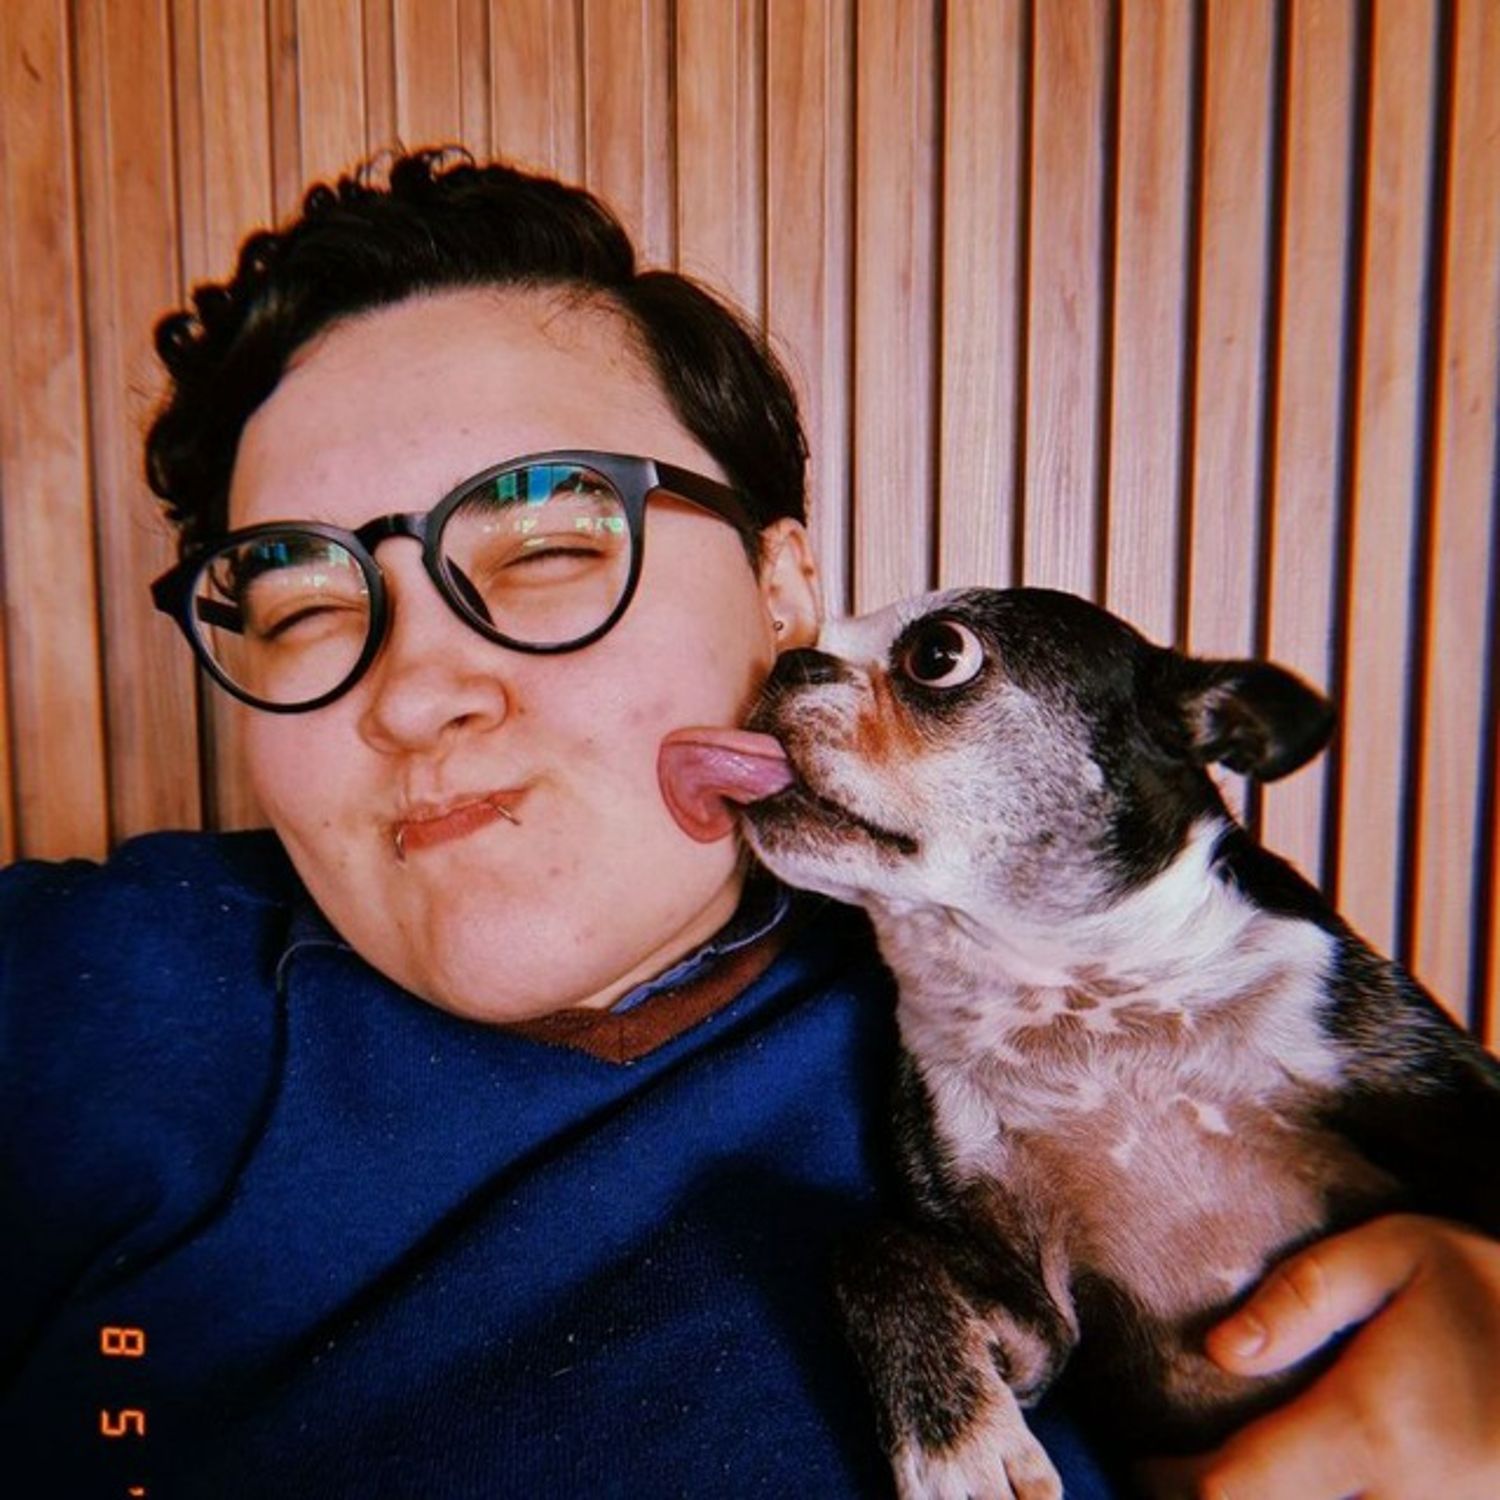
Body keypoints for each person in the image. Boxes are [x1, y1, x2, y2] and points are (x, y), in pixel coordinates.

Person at [0, 150, 1495, 1500]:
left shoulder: (1027, 996)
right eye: (300, 606)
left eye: (547, 546)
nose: (415, 692)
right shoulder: (91, 1003)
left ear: (785, 593)